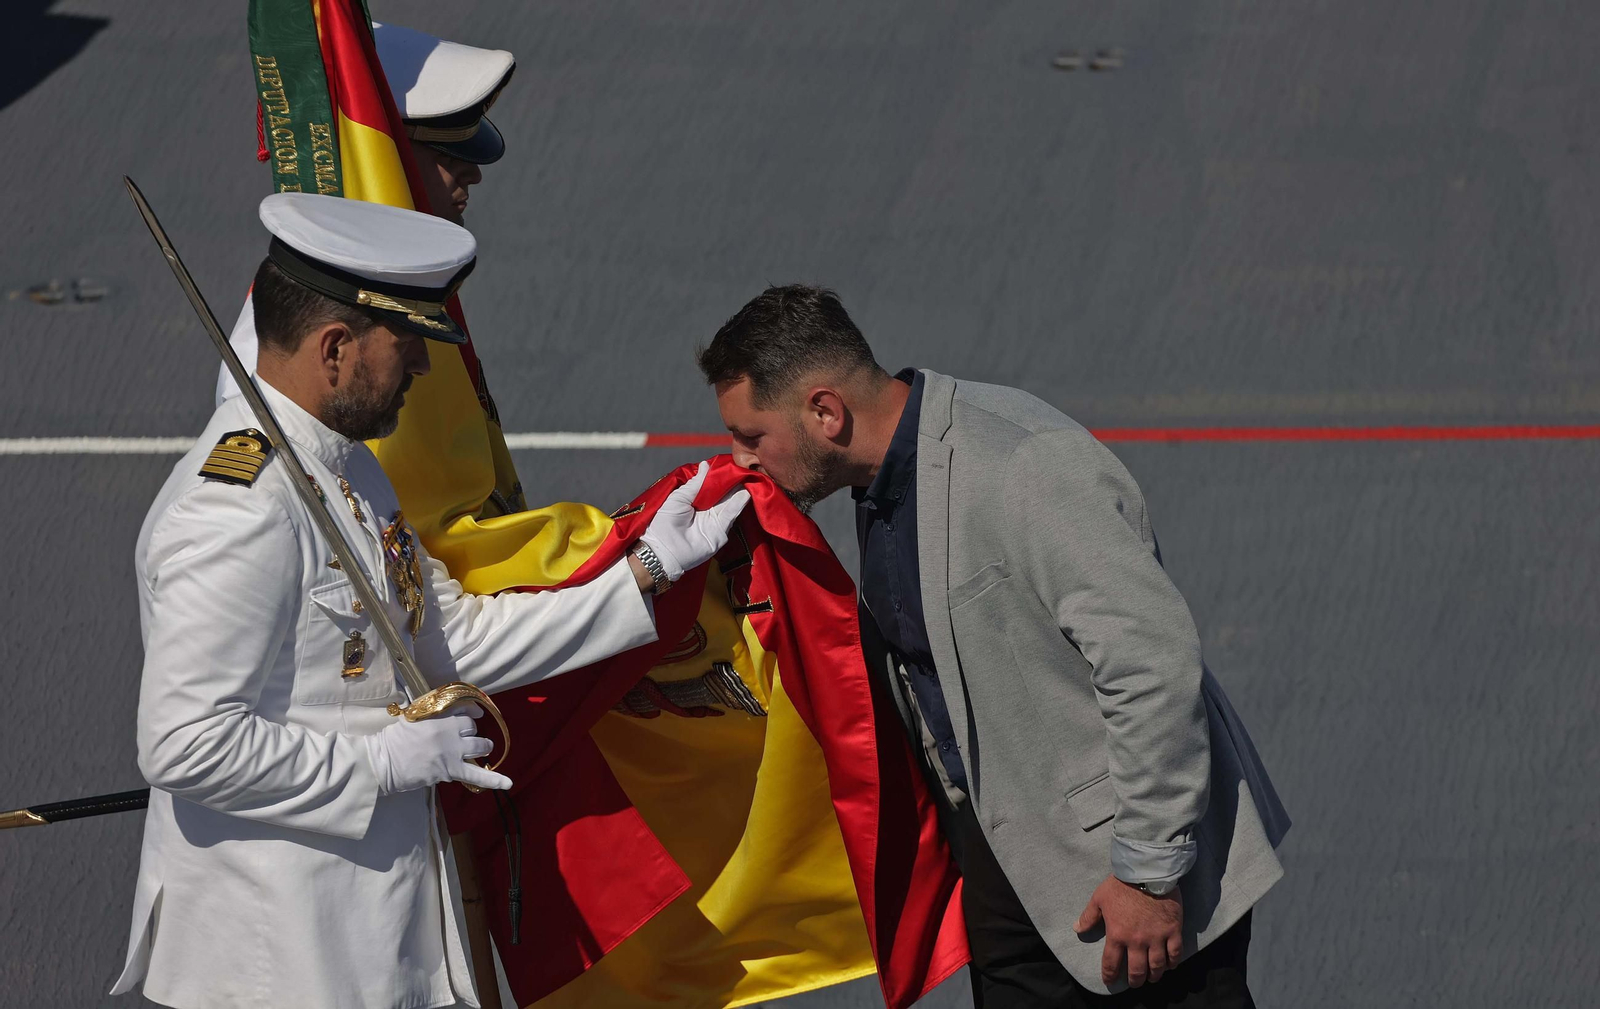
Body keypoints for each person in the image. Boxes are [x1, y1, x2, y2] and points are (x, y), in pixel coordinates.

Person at [112, 193, 748, 1009]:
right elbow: (185, 744)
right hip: (281, 959)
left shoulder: (347, 467)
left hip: (367, 935)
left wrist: (646, 571)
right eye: (405, 342)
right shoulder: (239, 510)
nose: (419, 365)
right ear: (334, 349)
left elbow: (449, 637)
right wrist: (378, 762)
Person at [697, 285, 1290, 1008]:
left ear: (826, 412)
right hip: (1008, 867)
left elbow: (1151, 665)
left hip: (1124, 875)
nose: (741, 459)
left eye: (752, 437)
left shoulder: (1022, 466)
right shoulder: (882, 484)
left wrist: (1146, 873)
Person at [217, 21, 514, 404]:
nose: (474, 174)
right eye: (446, 153)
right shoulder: (281, 357)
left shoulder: (410, 278)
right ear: (382, 155)